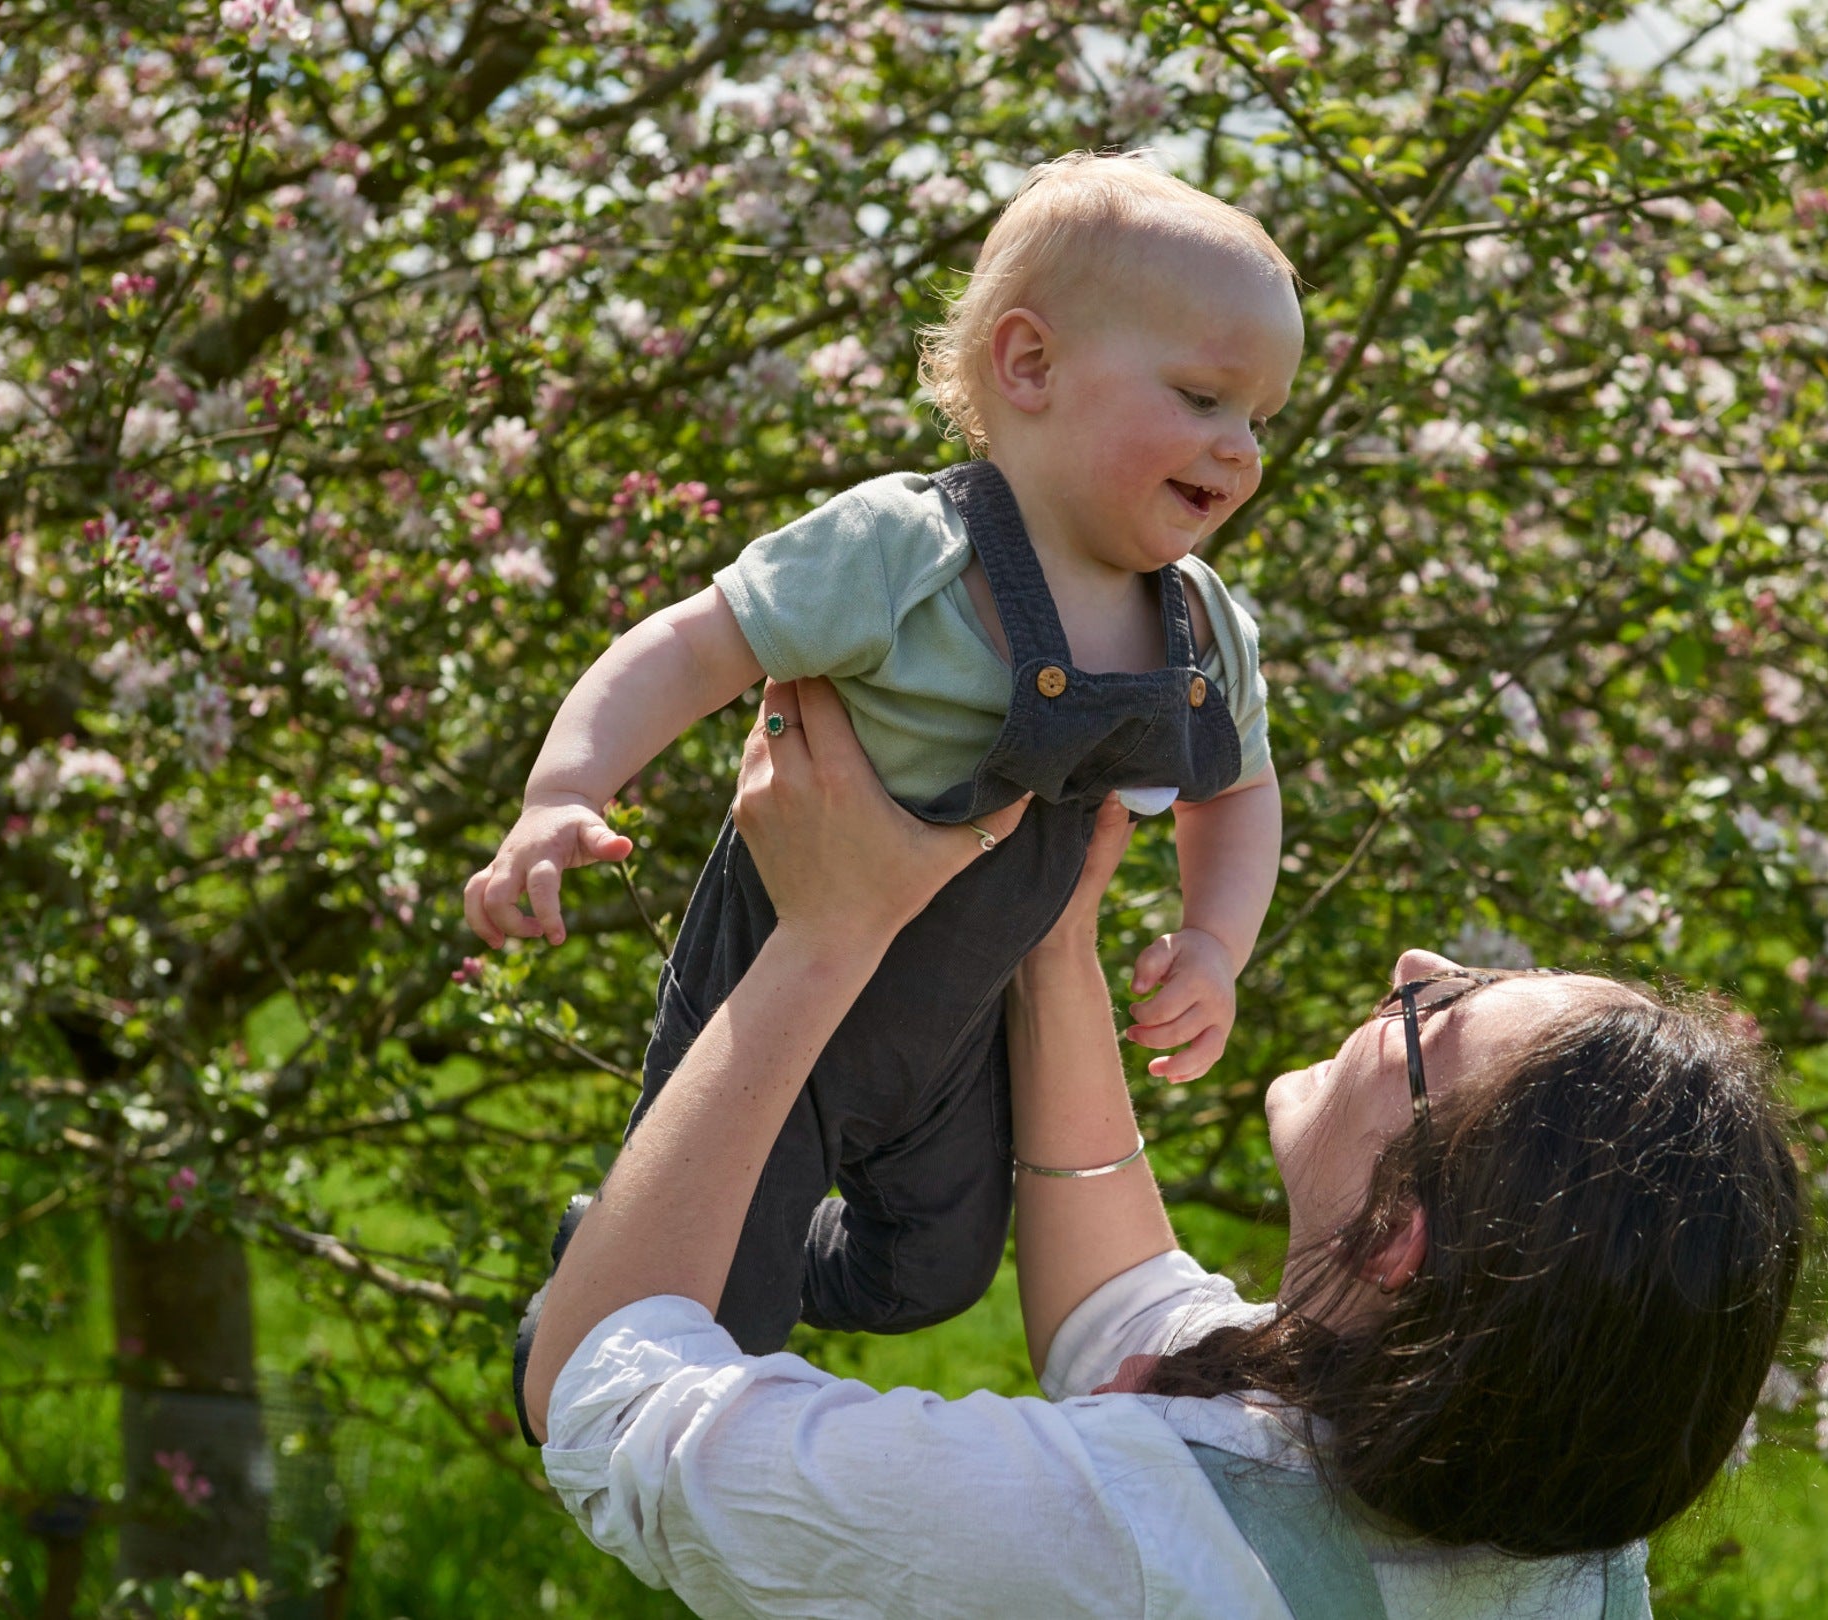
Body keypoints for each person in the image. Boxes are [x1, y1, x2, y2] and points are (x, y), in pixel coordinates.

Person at [523, 676, 1811, 1618]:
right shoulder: (1559, 1535)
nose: (1417, 963)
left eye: (1447, 1008)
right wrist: (1056, 932)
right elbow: (1135, 1327)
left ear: (1398, 1234)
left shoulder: (1113, 1544)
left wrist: (823, 934)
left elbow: (611, 1401)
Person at [468, 153, 1296, 1398]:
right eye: (1199, 398)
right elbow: (690, 644)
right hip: (777, 996)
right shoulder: (907, 549)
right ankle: (610, 1278)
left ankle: (654, 1238)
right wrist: (562, 793)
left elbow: (1240, 791)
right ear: (1029, 367)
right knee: (714, 1325)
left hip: (956, 1032)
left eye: (1258, 421)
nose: (1236, 450)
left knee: (935, 1278)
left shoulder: (1200, 626)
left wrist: (1213, 940)